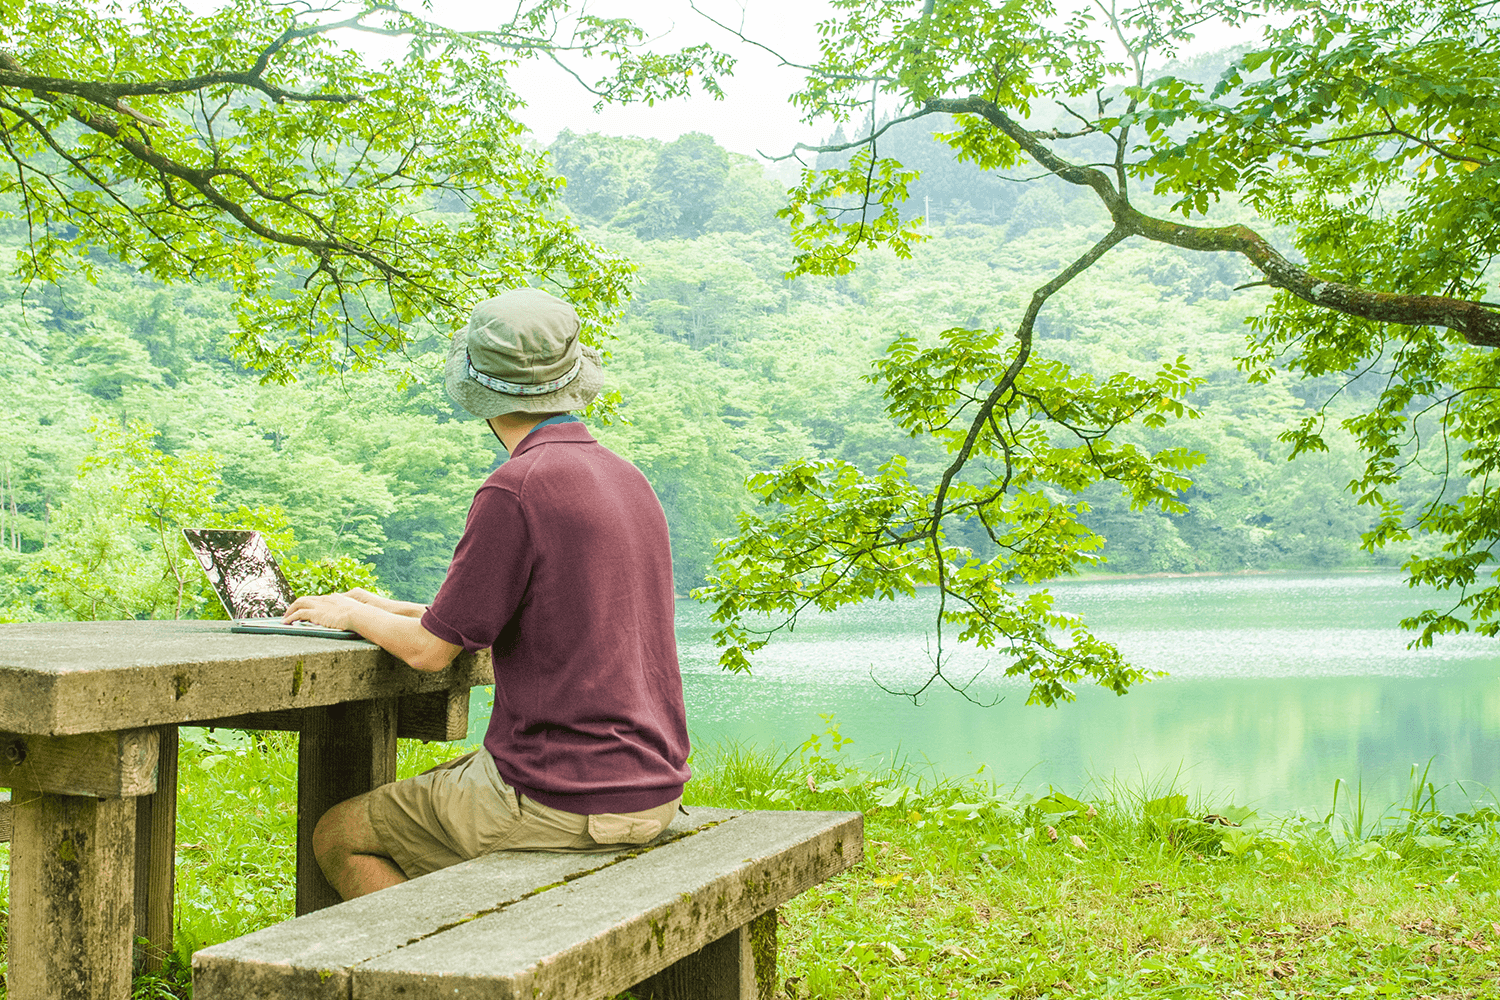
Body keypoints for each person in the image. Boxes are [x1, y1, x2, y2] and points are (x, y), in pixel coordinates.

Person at [284, 287, 691, 900]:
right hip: (653, 788)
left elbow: (429, 653)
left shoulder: (516, 487)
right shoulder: (626, 479)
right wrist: (381, 608)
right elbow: (493, 622)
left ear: (480, 391)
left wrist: (345, 612)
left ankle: (426, 976)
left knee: (339, 833)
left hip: (558, 797)